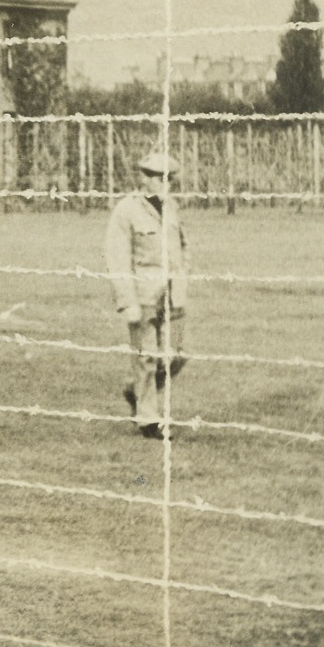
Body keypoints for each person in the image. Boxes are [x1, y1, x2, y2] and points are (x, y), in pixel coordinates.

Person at [105, 151, 190, 440]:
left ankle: (135, 390)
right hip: (142, 294)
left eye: (169, 178)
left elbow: (182, 248)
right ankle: (149, 420)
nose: (164, 183)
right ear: (143, 178)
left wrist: (182, 283)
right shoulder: (127, 210)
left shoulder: (173, 208)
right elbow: (117, 257)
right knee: (147, 357)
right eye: (157, 177)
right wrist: (127, 302)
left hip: (172, 294)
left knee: (177, 355)